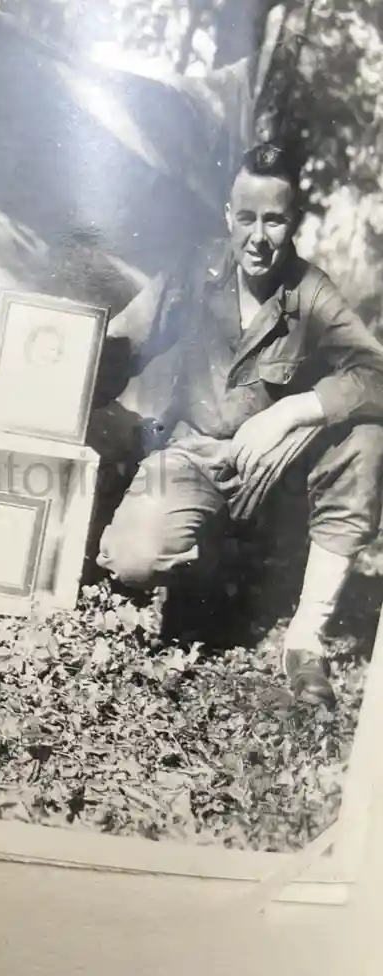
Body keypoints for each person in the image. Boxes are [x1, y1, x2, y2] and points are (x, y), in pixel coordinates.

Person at [95, 142, 383, 709]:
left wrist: (294, 411)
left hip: (272, 477)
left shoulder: (312, 292)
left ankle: (305, 639)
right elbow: (119, 348)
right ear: (229, 216)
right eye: (246, 218)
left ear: (293, 221)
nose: (258, 236)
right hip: (193, 457)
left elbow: (376, 372)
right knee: (134, 557)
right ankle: (208, 558)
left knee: (367, 442)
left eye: (274, 219)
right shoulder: (191, 274)